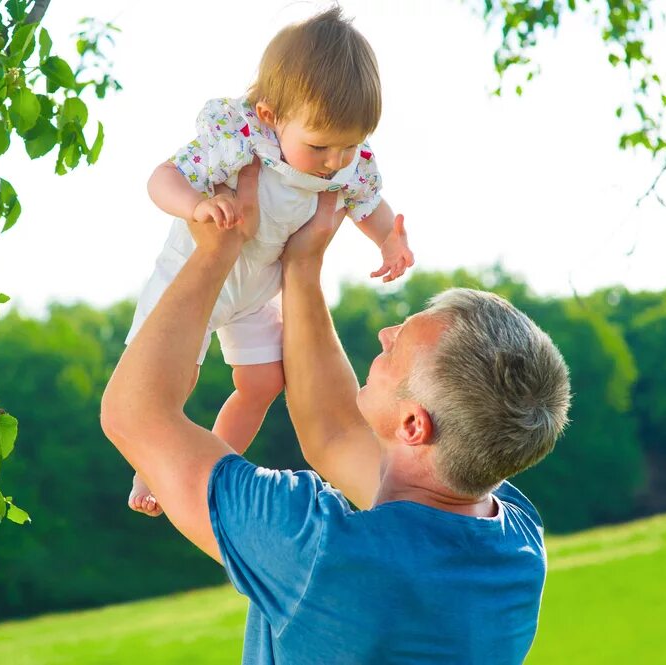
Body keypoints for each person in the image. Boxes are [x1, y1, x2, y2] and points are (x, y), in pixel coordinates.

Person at [101, 159, 572, 663]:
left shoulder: (319, 549)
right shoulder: (515, 543)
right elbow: (334, 431)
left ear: (414, 425)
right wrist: (302, 266)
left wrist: (218, 251)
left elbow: (135, 414)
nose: (385, 335)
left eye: (399, 348)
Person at [126, 7, 415, 516]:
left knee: (262, 383)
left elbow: (367, 205)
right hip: (189, 281)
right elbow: (161, 177)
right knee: (170, 383)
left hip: (257, 290)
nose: (334, 161)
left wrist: (388, 242)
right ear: (271, 116)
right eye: (320, 145)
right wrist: (195, 205)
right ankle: (148, 471)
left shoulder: (348, 163)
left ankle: (207, 473)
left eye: (350, 146)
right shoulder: (237, 142)